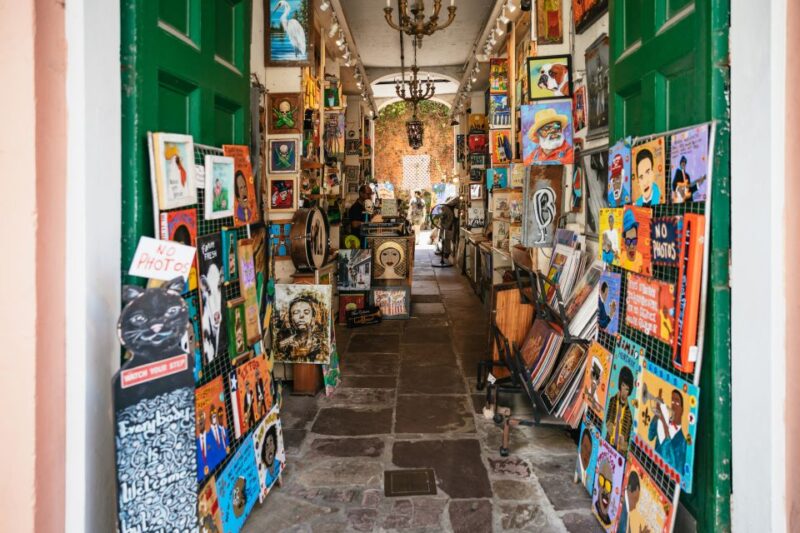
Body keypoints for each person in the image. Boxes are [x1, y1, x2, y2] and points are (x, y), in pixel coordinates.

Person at [649, 389, 688, 475]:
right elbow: (650, 436)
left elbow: (673, 468)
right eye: (672, 401)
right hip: (652, 470)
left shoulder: (682, 442)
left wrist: (663, 423)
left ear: (682, 409)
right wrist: (657, 414)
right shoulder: (665, 422)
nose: (673, 405)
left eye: (677, 402)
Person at [605, 366, 634, 454]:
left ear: (629, 391)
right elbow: (607, 417)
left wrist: (623, 444)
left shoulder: (629, 413)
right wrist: (609, 426)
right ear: (620, 385)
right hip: (609, 440)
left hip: (620, 450)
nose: (624, 391)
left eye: (627, 389)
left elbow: (628, 435)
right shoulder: (612, 400)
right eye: (623, 385)